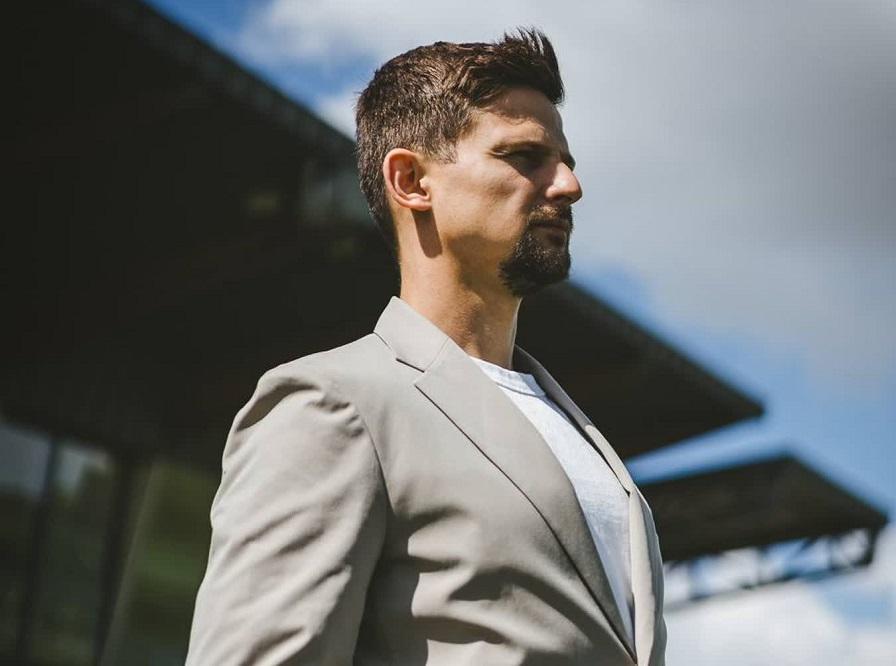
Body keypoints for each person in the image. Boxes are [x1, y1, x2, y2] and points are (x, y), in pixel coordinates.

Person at [187, 28, 667, 665]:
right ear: (412, 180)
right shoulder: (333, 404)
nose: (568, 185)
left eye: (566, 160)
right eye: (526, 157)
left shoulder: (576, 431)